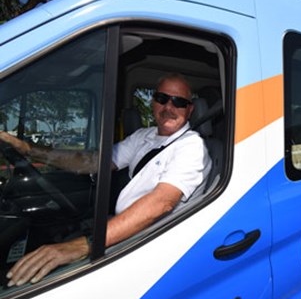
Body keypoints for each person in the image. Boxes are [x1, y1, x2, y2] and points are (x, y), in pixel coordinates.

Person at [0, 73, 212, 287]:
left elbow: (162, 202)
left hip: (153, 243)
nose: (169, 107)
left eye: (179, 102)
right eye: (162, 98)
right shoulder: (143, 137)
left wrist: (87, 244)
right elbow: (92, 161)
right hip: (129, 234)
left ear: (190, 109)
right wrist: (30, 150)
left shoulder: (191, 147)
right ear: (153, 101)